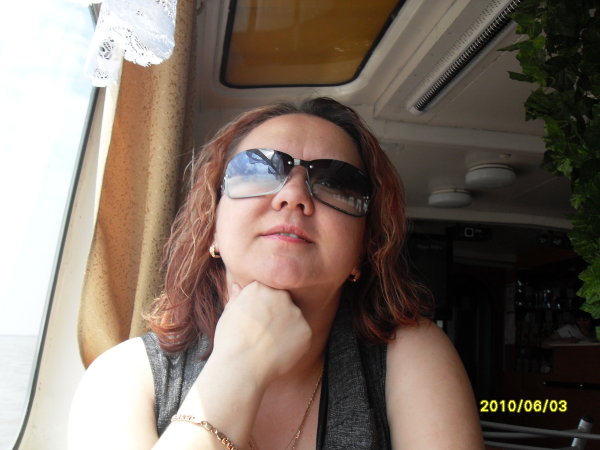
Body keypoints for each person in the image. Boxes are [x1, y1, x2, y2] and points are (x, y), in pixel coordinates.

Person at [68, 97, 484, 449]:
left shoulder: (411, 355)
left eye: (336, 182)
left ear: (363, 247)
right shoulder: (124, 376)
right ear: (212, 226)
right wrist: (239, 368)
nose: (294, 194)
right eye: (257, 169)